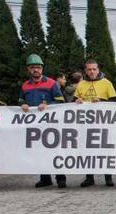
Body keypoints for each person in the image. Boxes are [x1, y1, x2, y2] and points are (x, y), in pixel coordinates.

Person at [20, 54, 66, 188]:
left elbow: (60, 100)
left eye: (38, 67)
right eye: (33, 67)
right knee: (39, 151)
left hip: (51, 123)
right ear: (28, 69)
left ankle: (61, 178)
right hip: (35, 124)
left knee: (55, 150)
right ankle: (45, 178)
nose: (36, 70)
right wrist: (22, 104)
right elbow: (21, 99)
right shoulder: (25, 86)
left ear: (42, 69)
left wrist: (48, 105)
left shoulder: (51, 83)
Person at [73, 59, 116, 188]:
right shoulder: (81, 85)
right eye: (89, 69)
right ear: (85, 71)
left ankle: (108, 177)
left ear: (98, 70)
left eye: (94, 69)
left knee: (105, 150)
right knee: (88, 150)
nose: (92, 71)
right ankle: (89, 177)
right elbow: (74, 101)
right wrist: (77, 101)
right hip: (86, 125)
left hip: (103, 124)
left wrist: (102, 101)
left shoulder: (106, 83)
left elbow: (115, 101)